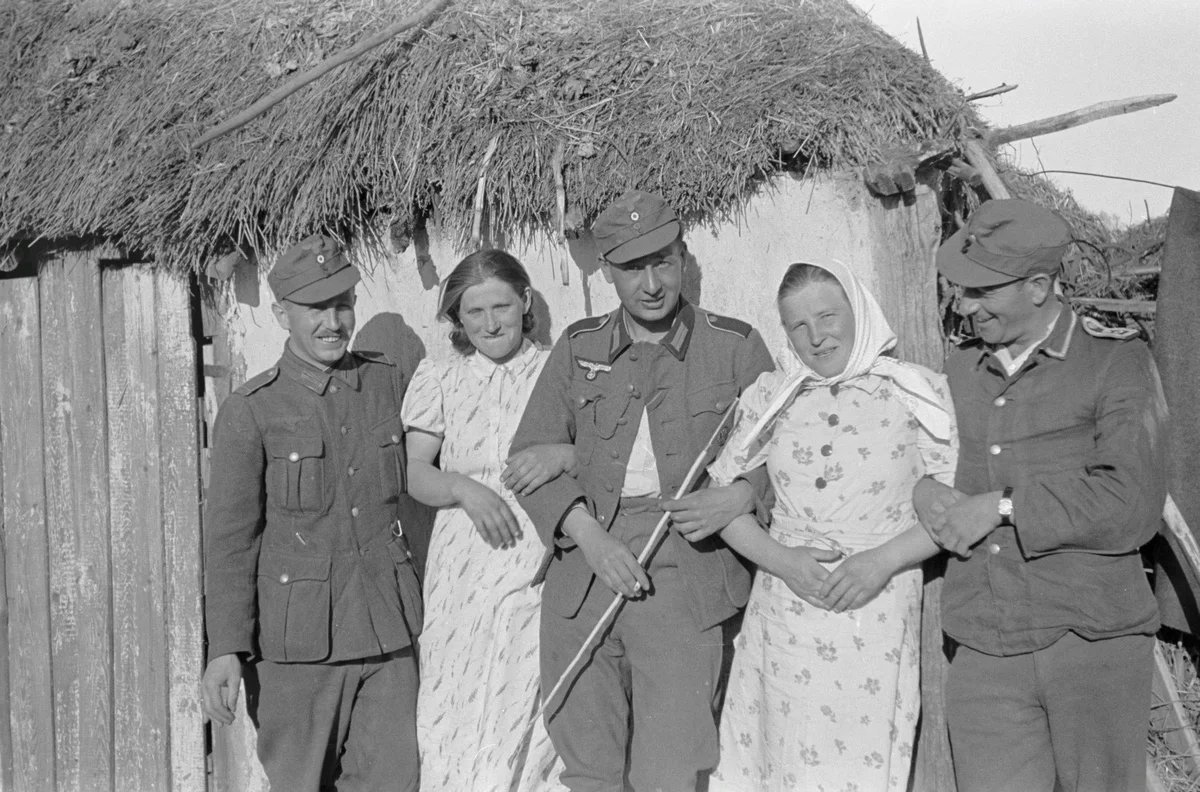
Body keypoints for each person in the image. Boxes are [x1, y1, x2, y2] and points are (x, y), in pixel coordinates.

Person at [509, 189, 775, 792]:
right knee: (589, 762)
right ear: (608, 271)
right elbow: (528, 463)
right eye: (632, 268)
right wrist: (593, 542)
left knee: (671, 765)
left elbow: (783, 448)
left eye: (663, 261)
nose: (651, 283)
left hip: (686, 565)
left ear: (682, 256)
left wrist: (741, 494)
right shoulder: (579, 348)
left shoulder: (733, 346)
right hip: (584, 566)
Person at [917, 198, 1167, 792]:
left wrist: (1004, 505)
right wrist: (924, 488)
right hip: (986, 642)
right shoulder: (958, 370)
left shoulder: (1115, 361)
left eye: (982, 292)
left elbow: (1132, 502)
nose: (964, 306)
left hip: (1090, 638)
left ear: (1036, 286)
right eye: (960, 290)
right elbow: (929, 458)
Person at [686, 260, 957, 791]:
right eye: (797, 326)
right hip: (785, 604)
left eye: (829, 316)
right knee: (778, 755)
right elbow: (724, 506)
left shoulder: (917, 390)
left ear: (859, 311)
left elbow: (954, 512)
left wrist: (882, 562)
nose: (816, 337)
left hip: (874, 606)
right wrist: (784, 563)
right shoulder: (774, 395)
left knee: (857, 763)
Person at [200, 234, 424, 791]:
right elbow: (231, 540)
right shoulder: (252, 410)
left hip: (387, 637)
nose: (333, 322)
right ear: (280, 314)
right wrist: (226, 647)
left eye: (342, 304)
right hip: (297, 650)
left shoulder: (388, 382)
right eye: (314, 309)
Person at [401, 249, 567, 791]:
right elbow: (416, 474)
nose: (491, 323)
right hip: (461, 571)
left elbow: (593, 452)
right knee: (453, 711)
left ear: (525, 303)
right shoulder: (441, 379)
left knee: (522, 708)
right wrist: (464, 489)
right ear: (457, 320)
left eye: (501, 306)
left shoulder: (555, 370)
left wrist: (559, 460)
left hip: (536, 562)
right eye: (474, 313)